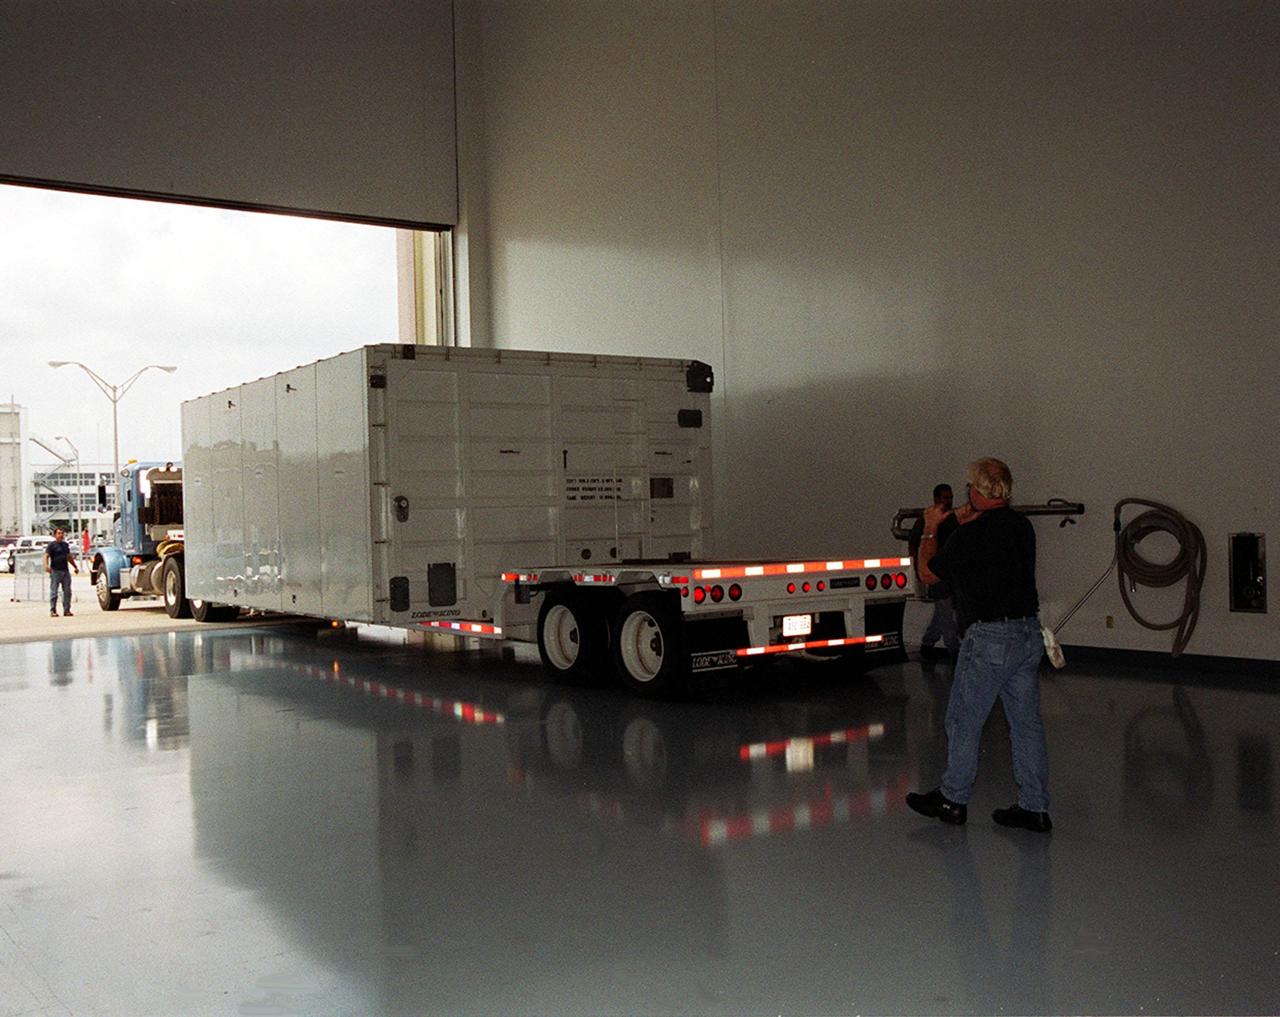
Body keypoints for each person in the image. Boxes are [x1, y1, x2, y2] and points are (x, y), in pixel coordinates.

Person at [905, 457, 1052, 832]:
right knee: (1026, 725)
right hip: (1027, 633)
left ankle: (952, 799)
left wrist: (930, 528)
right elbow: (989, 554)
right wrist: (964, 523)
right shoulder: (1021, 526)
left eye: (969, 486)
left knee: (963, 720)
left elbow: (927, 573)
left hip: (990, 639)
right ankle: (1034, 807)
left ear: (976, 490)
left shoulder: (971, 535)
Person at [908, 483, 960, 659]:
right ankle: (954, 650)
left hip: (951, 572)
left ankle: (928, 643)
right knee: (946, 613)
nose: (949, 501)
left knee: (942, 612)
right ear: (936, 498)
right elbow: (913, 545)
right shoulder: (926, 520)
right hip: (936, 573)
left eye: (950, 498)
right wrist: (917, 570)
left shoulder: (953, 519)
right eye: (945, 498)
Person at [44, 527, 80, 618]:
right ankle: (53, 610)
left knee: (67, 591)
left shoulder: (65, 545)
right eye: (59, 533)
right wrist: (46, 566)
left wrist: (75, 566)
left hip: (65, 571)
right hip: (55, 571)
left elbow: (69, 557)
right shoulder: (51, 545)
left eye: (62, 533)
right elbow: (46, 556)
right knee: (54, 592)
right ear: (55, 535)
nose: (61, 535)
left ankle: (67, 610)